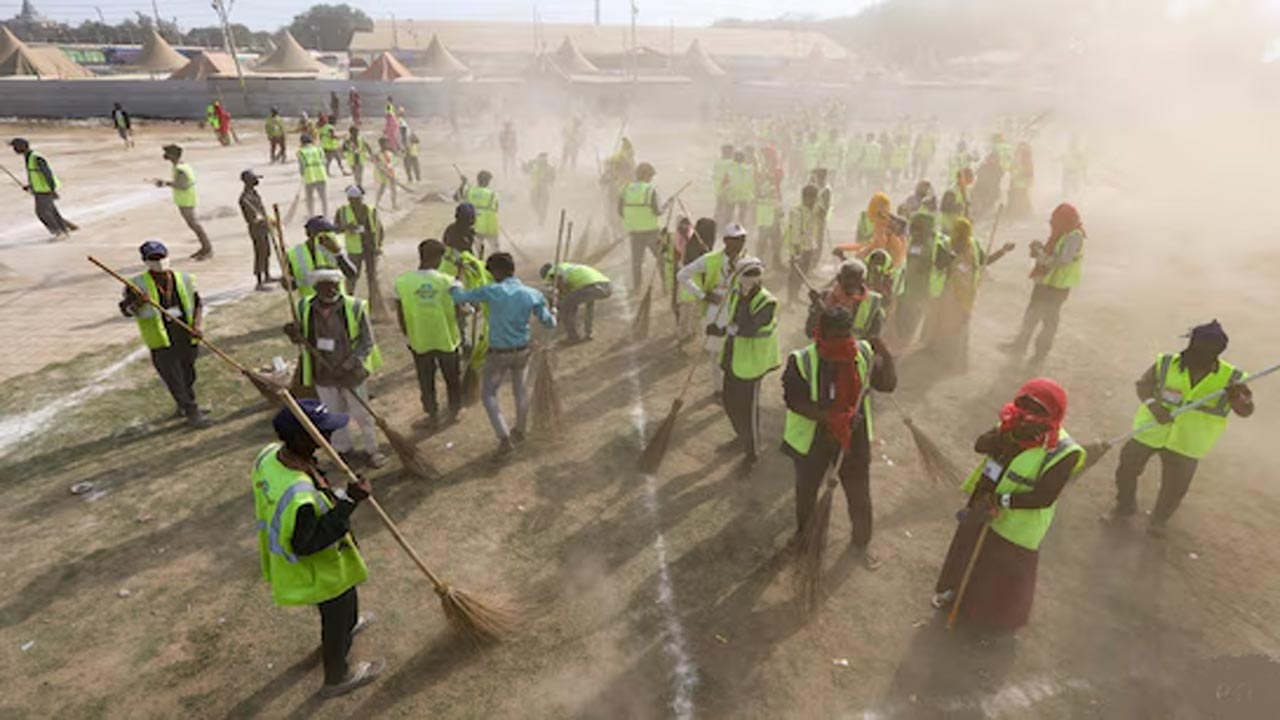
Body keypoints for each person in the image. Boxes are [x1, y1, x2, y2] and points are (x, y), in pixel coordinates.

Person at [251, 398, 384, 697]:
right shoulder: (299, 495)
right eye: (321, 432)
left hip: (304, 564)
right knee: (338, 615)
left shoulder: (269, 455)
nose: (328, 437)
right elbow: (307, 542)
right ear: (300, 438)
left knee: (342, 611)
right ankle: (337, 677)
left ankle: (347, 626)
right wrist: (349, 502)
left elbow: (310, 495)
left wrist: (336, 494)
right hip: (319, 570)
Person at [932, 378, 1085, 630]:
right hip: (981, 505)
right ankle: (955, 593)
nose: (1028, 416)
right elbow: (980, 445)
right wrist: (1004, 434)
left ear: (1053, 415)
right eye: (1024, 405)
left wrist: (1002, 501)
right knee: (968, 551)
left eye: (1038, 411)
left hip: (1018, 525)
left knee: (998, 571)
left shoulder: (1064, 452)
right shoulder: (1010, 423)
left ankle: (989, 622)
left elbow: (1045, 496)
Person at [1103, 321, 1254, 538]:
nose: (1199, 352)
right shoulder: (1165, 363)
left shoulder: (1233, 379)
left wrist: (1242, 401)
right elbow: (1143, 385)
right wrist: (1152, 405)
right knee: (1127, 469)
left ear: (1218, 351)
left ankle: (1159, 520)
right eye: (1197, 345)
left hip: (1189, 441)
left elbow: (1245, 411)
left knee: (1174, 487)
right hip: (1151, 430)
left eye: (1207, 348)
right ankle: (1125, 505)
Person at [782, 305, 897, 569]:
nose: (841, 341)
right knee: (807, 494)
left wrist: (886, 355)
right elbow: (794, 401)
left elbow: (887, 385)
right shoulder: (802, 360)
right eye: (835, 335)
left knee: (859, 494)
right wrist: (833, 419)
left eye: (845, 334)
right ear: (821, 332)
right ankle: (806, 538)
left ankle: (861, 542)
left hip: (852, 440)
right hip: (814, 440)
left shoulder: (863, 354)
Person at [449, 253, 556, 458]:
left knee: (488, 395)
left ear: (497, 271)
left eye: (491, 272)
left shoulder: (493, 291)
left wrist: (456, 282)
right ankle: (520, 430)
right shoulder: (532, 293)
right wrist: (555, 309)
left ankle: (504, 436)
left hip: (499, 354)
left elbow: (458, 297)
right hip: (523, 351)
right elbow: (550, 322)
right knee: (520, 391)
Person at [286, 270, 388, 468]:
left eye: (334, 284)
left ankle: (372, 451)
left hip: (352, 373)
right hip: (323, 374)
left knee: (362, 415)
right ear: (316, 288)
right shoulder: (304, 307)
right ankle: (343, 451)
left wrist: (347, 365)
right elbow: (302, 337)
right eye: (325, 286)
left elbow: (367, 342)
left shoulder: (355, 306)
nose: (332, 289)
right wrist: (293, 334)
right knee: (333, 415)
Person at [118, 240, 211, 428]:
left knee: (188, 374)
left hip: (186, 333)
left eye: (160, 257)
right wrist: (139, 303)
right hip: (161, 338)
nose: (158, 261)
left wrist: (198, 326)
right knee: (173, 377)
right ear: (145, 261)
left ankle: (184, 406)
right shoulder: (136, 285)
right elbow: (126, 312)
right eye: (153, 258)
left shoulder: (184, 279)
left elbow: (197, 303)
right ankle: (192, 411)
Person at [708, 258, 779, 469]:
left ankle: (752, 453)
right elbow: (733, 322)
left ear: (759, 277)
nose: (748, 279)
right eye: (745, 275)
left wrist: (726, 330)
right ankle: (742, 437)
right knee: (729, 402)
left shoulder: (767, 301)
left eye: (753, 275)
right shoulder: (736, 294)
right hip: (733, 357)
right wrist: (718, 330)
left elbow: (749, 328)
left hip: (753, 364)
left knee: (748, 410)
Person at [925, 218, 1014, 371]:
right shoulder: (946, 245)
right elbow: (939, 265)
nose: (960, 238)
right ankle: (939, 353)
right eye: (958, 233)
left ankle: (954, 360)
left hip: (966, 294)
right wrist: (949, 257)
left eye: (963, 234)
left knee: (959, 325)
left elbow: (985, 261)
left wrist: (1002, 251)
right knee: (944, 322)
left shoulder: (973, 246)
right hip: (949, 292)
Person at [1001, 203, 1085, 364]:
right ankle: (1019, 346)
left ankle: (1040, 354)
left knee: (1049, 321)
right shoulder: (1063, 232)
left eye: (1056, 220)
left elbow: (1063, 260)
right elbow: (1054, 253)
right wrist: (1040, 249)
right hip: (1045, 283)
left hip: (1057, 287)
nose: (1052, 224)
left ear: (1064, 220)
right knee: (1031, 316)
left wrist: (1040, 255)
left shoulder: (1074, 236)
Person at [395, 239, 464, 430]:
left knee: (426, 379)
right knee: (452, 376)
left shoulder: (402, 282)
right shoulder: (448, 282)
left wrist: (407, 334)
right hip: (446, 338)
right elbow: (460, 309)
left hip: (419, 339)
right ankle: (454, 410)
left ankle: (432, 414)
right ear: (438, 258)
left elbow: (400, 313)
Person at [678, 223, 748, 396]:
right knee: (716, 354)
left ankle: (733, 386)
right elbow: (682, 275)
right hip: (715, 311)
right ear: (725, 241)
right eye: (735, 240)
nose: (740, 245)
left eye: (742, 240)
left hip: (738, 311)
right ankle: (719, 389)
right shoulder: (710, 259)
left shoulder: (748, 262)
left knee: (737, 351)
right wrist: (702, 295)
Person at [894, 211, 949, 345]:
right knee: (902, 318)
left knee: (915, 319)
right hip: (907, 288)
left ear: (927, 229)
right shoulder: (912, 241)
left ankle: (911, 345)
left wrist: (931, 265)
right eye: (913, 228)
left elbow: (943, 264)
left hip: (924, 290)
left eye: (919, 229)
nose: (915, 232)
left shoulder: (936, 245)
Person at [10, 138, 73, 241]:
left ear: (22, 147)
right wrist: (30, 186)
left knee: (42, 213)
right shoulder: (29, 157)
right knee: (51, 211)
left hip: (45, 189)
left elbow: (47, 173)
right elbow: (36, 175)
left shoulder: (36, 158)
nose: (14, 149)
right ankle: (63, 230)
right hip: (41, 188)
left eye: (15, 147)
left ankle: (59, 232)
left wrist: (52, 189)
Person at [805, 259, 885, 340]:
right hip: (825, 349)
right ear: (839, 278)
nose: (851, 282)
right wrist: (817, 310)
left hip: (854, 351)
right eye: (848, 277)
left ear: (863, 281)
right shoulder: (824, 297)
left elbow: (874, 337)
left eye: (856, 278)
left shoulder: (873, 302)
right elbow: (810, 332)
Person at [157, 144, 213, 260]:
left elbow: (182, 185)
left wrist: (165, 183)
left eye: (167, 153)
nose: (165, 155)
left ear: (173, 155)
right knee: (194, 225)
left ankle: (208, 249)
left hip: (186, 200)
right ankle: (205, 248)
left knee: (195, 225)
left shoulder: (180, 169)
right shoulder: (181, 166)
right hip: (185, 199)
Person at [540, 261, 611, 343]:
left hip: (590, 287)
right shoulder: (566, 266)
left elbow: (561, 287)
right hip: (606, 286)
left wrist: (559, 304)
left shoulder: (552, 272)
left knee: (565, 307)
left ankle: (573, 337)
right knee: (588, 303)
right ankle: (589, 332)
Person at [618, 162, 664, 290]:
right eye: (651, 177)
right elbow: (657, 212)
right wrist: (666, 207)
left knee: (636, 262)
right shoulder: (650, 190)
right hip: (651, 232)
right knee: (661, 260)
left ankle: (637, 287)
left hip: (634, 232)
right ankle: (666, 285)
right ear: (646, 175)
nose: (651, 179)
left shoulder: (626, 189)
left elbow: (620, 212)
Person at [286, 217, 357, 299]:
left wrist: (338, 253)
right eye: (322, 234)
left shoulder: (335, 248)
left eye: (329, 233)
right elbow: (291, 286)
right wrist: (286, 281)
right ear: (309, 234)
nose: (326, 237)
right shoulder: (294, 253)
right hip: (311, 306)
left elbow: (351, 274)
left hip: (337, 304)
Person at [835, 192, 907, 270]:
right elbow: (868, 245)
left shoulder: (883, 227)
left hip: (887, 271)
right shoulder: (887, 226)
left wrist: (858, 256)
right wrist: (844, 248)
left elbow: (877, 247)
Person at [333, 186, 382, 295]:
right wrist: (346, 227)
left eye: (358, 200)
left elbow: (379, 230)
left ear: (362, 198)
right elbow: (335, 229)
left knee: (372, 277)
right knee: (352, 276)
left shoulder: (371, 211)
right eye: (353, 200)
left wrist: (378, 246)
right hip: (354, 250)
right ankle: (349, 299)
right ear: (349, 200)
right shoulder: (342, 212)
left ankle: (375, 302)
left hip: (370, 247)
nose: (356, 203)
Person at [783, 184, 823, 304]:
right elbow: (795, 232)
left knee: (803, 273)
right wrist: (796, 252)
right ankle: (790, 300)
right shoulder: (797, 212)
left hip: (809, 246)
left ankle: (796, 295)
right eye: (813, 198)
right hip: (798, 249)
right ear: (805, 198)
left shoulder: (814, 210)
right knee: (794, 274)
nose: (814, 201)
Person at [238, 169, 276, 290]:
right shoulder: (245, 198)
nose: (257, 181)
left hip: (263, 226)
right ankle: (259, 281)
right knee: (260, 252)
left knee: (267, 251)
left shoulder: (254, 193)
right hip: (256, 228)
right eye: (254, 179)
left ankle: (267, 275)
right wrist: (264, 220)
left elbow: (262, 210)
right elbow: (252, 218)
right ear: (248, 181)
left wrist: (270, 220)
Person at [755, 146, 784, 266]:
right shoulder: (760, 171)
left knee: (776, 234)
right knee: (764, 235)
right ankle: (759, 259)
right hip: (764, 207)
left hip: (774, 205)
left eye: (768, 157)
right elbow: (758, 188)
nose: (766, 159)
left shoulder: (776, 171)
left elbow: (776, 179)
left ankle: (776, 259)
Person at [461, 170, 500, 253]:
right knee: (495, 248)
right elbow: (496, 207)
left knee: (477, 248)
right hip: (490, 223)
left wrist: (463, 183)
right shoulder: (491, 193)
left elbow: (460, 197)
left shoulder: (470, 191)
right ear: (487, 181)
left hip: (475, 223)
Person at [523, 152, 556, 226]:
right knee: (533, 205)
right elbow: (526, 170)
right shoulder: (533, 165)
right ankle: (540, 215)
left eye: (544, 159)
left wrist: (548, 179)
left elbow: (552, 178)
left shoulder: (549, 168)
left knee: (544, 206)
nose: (542, 160)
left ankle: (541, 221)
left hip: (544, 188)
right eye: (541, 158)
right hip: (534, 188)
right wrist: (524, 166)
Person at [726, 150, 755, 227]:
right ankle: (742, 229)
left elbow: (726, 181)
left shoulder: (730, 168)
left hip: (733, 194)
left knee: (730, 214)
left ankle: (728, 229)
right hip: (745, 195)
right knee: (743, 216)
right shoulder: (749, 169)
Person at [1007, 142, 1035, 220]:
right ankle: (1018, 212)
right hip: (1016, 181)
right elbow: (1011, 168)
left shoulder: (1026, 159)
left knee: (1021, 198)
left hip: (1021, 182)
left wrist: (1018, 172)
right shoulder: (1018, 158)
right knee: (1018, 197)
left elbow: (1029, 171)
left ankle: (1022, 213)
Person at [370, 138, 397, 210]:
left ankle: (394, 204)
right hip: (381, 173)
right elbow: (376, 162)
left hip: (390, 171)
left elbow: (394, 161)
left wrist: (390, 166)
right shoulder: (377, 153)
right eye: (386, 143)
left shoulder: (390, 152)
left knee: (393, 189)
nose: (387, 145)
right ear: (381, 144)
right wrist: (383, 168)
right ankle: (377, 203)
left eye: (387, 143)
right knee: (382, 188)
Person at [712, 144, 735, 229]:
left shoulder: (717, 163)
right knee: (729, 209)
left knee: (719, 207)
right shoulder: (732, 164)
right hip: (729, 190)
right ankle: (727, 226)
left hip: (719, 189)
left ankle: (715, 225)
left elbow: (714, 176)